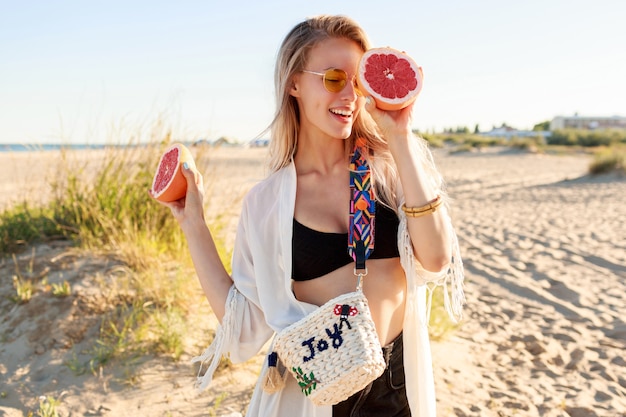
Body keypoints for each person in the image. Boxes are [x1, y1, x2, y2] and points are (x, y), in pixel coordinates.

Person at [155, 14, 464, 417]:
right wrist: (192, 223)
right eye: (334, 78)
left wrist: (401, 136)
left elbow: (437, 259)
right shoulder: (267, 203)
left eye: (357, 82)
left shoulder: (389, 170)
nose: (350, 96)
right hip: (317, 399)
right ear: (294, 83)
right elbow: (244, 331)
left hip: (398, 385)